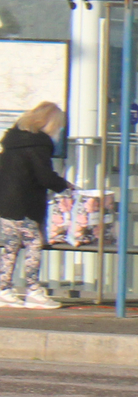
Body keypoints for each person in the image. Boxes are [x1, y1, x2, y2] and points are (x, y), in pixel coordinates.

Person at [0, 101, 72, 309]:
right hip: (26, 204)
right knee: (33, 244)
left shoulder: (13, 141)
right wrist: (65, 186)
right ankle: (33, 290)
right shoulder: (38, 145)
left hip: (6, 202)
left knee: (10, 247)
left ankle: (4, 288)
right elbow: (44, 176)